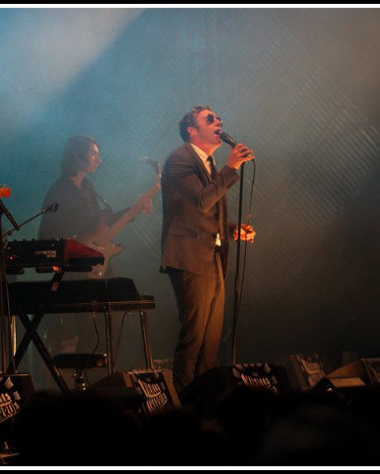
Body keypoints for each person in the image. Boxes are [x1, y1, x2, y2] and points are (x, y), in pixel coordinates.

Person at [160, 104, 256, 394]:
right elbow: (202, 200)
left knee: (211, 340)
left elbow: (207, 214)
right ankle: (184, 401)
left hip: (212, 257)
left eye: (219, 119)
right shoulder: (179, 160)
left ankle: (204, 401)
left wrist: (231, 230)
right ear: (192, 130)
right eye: (210, 119)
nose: (219, 122)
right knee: (194, 336)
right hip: (189, 257)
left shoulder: (209, 164)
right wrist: (232, 167)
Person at [37, 135, 153, 362]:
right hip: (74, 275)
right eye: (93, 154)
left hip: (96, 268)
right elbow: (48, 236)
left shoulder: (89, 188)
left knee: (104, 330)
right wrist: (85, 236)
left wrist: (134, 209)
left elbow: (102, 226)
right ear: (77, 157)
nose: (99, 159)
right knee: (87, 333)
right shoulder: (59, 192)